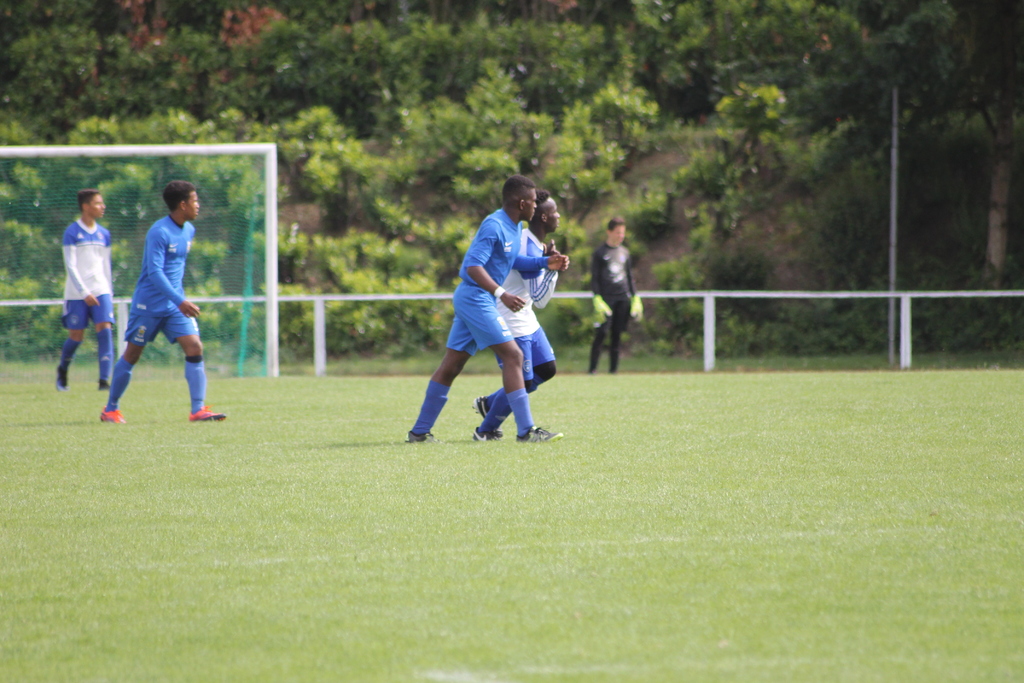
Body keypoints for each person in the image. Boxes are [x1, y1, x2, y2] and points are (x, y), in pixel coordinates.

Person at [407, 175, 569, 443]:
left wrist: (544, 263)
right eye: (532, 201)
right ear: (521, 203)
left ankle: (419, 433)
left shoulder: (514, 227)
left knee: (452, 365)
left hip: (477, 299)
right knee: (514, 356)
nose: (534, 206)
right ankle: (526, 431)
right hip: (475, 298)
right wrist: (501, 293)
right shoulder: (494, 225)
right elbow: (472, 266)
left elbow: (512, 260)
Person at [99, 181, 226, 424]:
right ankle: (110, 409)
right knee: (132, 355)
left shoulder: (188, 230)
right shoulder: (159, 232)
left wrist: (177, 300)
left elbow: (175, 269)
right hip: (149, 306)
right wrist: (180, 300)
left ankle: (197, 410)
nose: (198, 205)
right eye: (195, 200)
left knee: (195, 347)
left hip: (174, 307)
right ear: (183, 204)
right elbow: (155, 272)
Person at [471, 189, 563, 441]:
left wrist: (547, 261)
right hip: (510, 319)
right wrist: (553, 269)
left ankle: (491, 403)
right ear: (543, 217)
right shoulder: (528, 247)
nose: (558, 216)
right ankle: (486, 430)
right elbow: (540, 298)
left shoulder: (531, 240)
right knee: (523, 379)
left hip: (525, 317)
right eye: (554, 212)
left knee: (546, 369)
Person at [56, 189, 115, 391]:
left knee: (105, 330)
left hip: (101, 290)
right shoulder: (72, 232)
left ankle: (104, 381)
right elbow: (70, 265)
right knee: (76, 336)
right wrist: (84, 292)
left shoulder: (104, 233)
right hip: (77, 293)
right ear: (86, 206)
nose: (102, 207)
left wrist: (109, 292)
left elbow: (106, 265)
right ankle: (62, 370)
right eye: (98, 203)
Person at [588, 217, 643, 374]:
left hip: (622, 298)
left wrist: (635, 297)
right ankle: (592, 370)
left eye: (622, 233)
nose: (621, 236)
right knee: (601, 333)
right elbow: (595, 278)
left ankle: (613, 370)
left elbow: (629, 276)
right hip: (606, 300)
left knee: (617, 335)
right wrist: (597, 297)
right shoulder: (600, 253)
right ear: (609, 232)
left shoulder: (625, 252)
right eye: (618, 232)